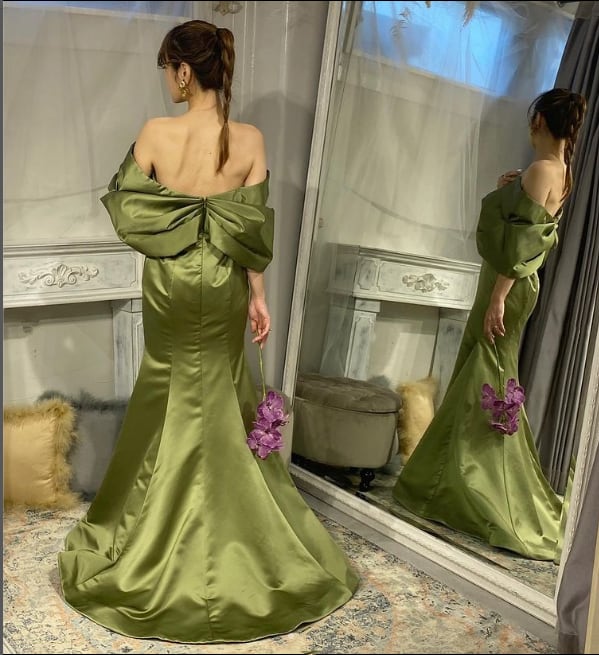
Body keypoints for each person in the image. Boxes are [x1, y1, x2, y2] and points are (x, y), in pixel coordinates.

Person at [58, 19, 359, 643]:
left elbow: (125, 208)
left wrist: (174, 223)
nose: (165, 80)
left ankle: (156, 521)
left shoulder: (155, 133)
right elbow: (250, 230)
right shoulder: (249, 140)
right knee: (222, 390)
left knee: (167, 387)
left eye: (166, 69)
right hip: (223, 284)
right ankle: (235, 531)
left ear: (183, 71)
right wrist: (258, 298)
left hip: (170, 282)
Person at [393, 88, 587, 561]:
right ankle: (453, 479)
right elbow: (525, 228)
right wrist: (511, 190)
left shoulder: (543, 169)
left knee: (488, 382)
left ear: (538, 121)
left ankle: (480, 488)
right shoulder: (560, 170)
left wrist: (498, 298)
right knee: (486, 379)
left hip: (507, 287)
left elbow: (518, 247)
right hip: (515, 285)